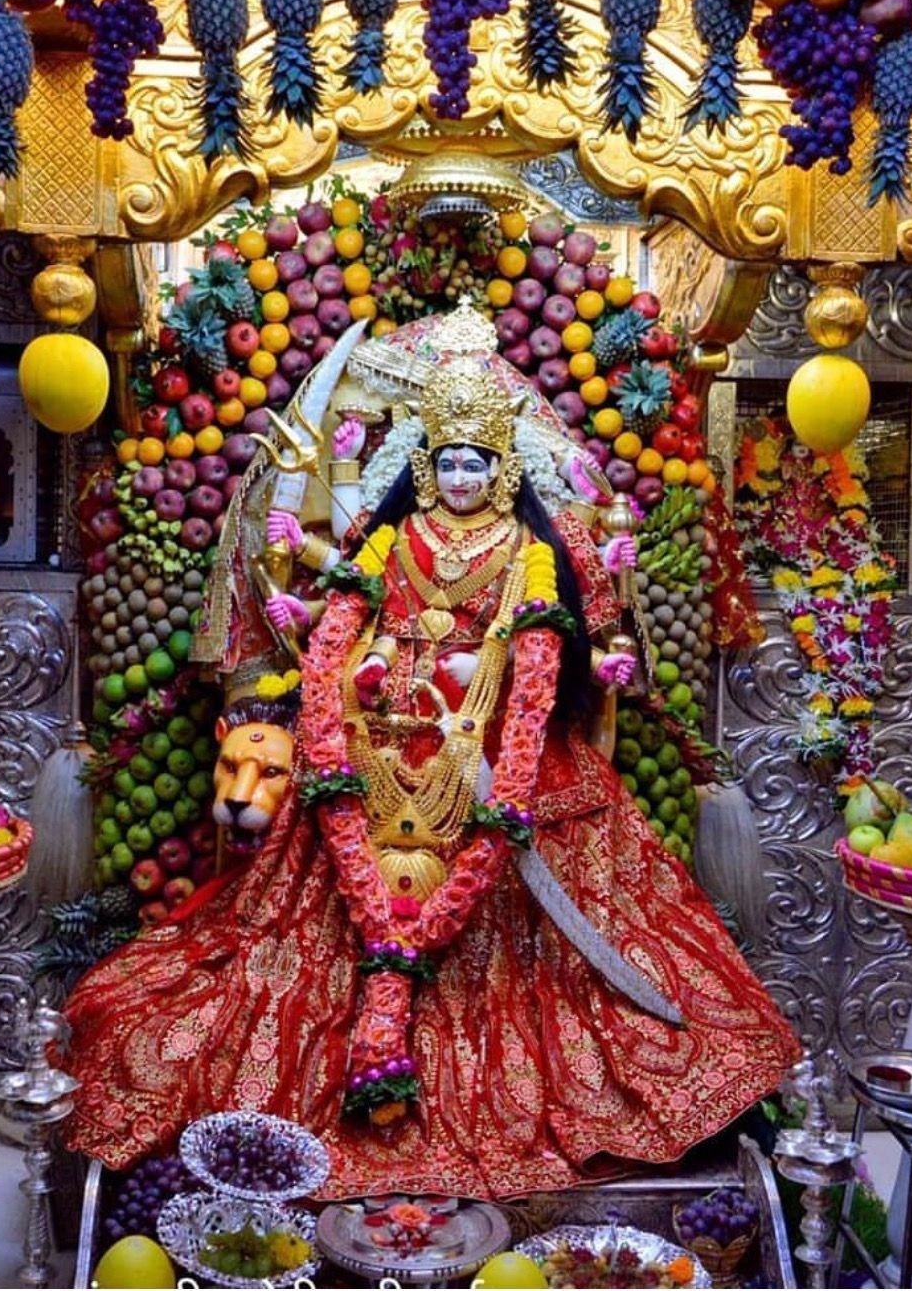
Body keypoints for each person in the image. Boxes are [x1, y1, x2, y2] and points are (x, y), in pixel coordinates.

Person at [61, 323, 799, 1201]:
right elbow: (341, 629)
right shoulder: (387, 540)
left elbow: (544, 656)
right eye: (445, 463)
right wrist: (351, 679)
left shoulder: (530, 552)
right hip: (377, 735)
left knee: (571, 866)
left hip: (493, 752)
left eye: (474, 464)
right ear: (424, 468)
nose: (459, 480)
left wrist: (593, 669)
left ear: (502, 469)